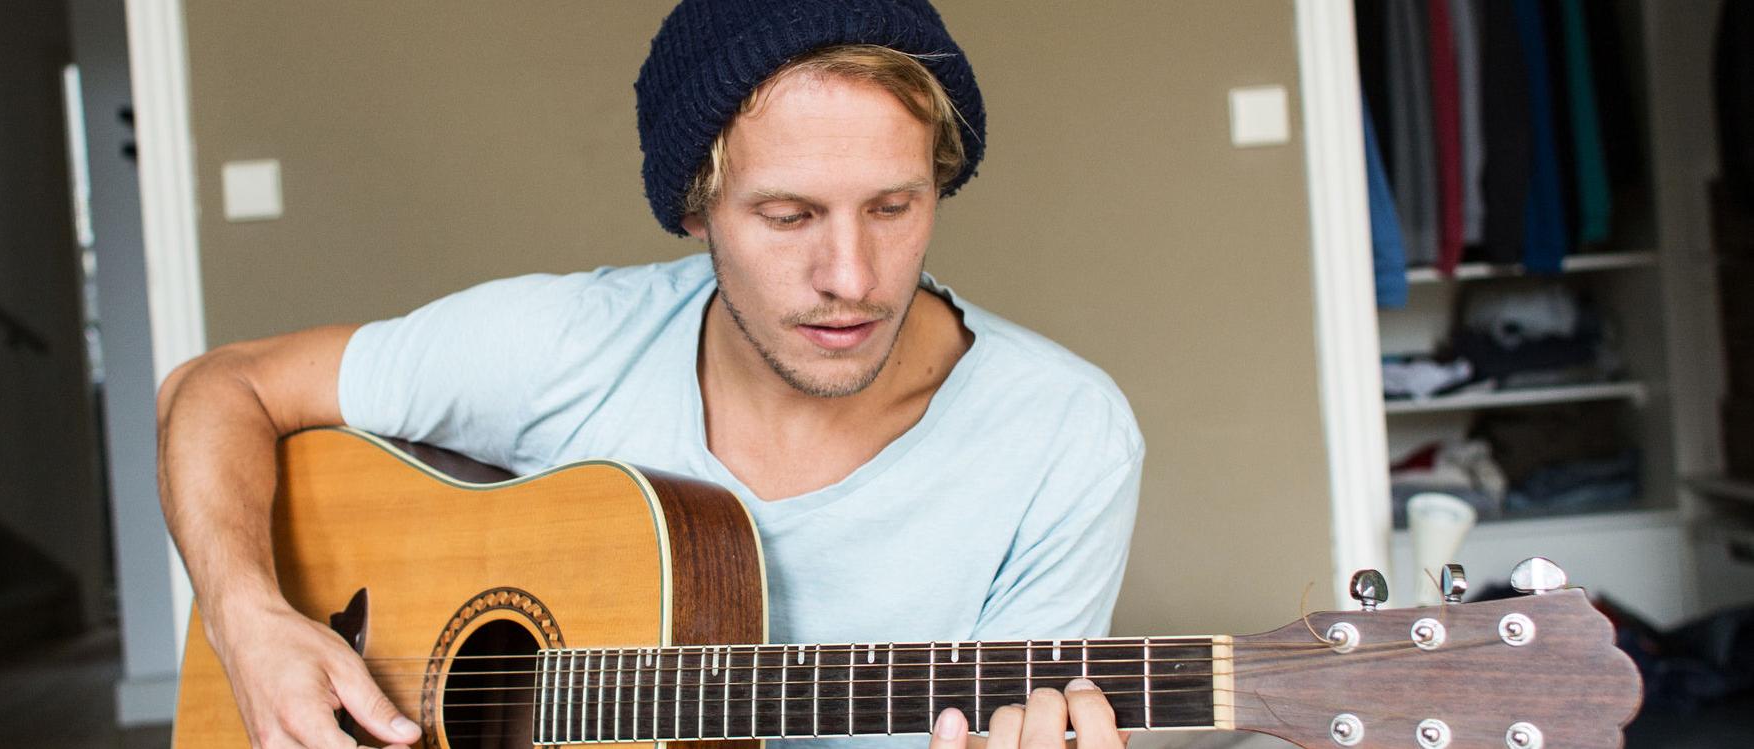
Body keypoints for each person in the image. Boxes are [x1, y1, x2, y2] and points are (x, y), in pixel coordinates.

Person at [157, 1, 1144, 748]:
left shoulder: (1063, 434)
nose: (850, 277)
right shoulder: (565, 344)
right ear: (694, 208)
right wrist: (249, 621)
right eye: (788, 216)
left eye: (892, 207)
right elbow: (215, 387)